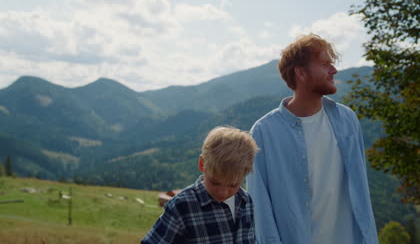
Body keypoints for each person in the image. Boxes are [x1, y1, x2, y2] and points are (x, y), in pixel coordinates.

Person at [246, 33, 378, 244]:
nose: (334, 70)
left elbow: (361, 192)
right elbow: (260, 208)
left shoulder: (347, 120)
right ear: (301, 73)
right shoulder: (264, 132)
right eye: (325, 64)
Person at [141, 126, 257, 244]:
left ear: (245, 174)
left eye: (233, 185)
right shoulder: (181, 207)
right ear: (202, 164)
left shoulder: (246, 201)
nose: (223, 192)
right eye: (215, 182)